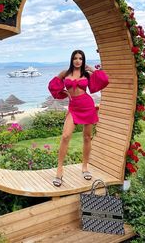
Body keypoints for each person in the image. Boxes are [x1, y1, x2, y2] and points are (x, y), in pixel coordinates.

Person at [48, 50, 109, 187]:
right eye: (75, 58)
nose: (77, 61)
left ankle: (85, 167)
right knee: (65, 136)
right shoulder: (65, 73)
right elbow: (53, 85)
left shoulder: (86, 74)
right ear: (72, 59)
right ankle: (59, 170)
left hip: (87, 107)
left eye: (80, 58)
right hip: (73, 108)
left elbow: (104, 80)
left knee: (87, 137)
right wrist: (62, 91)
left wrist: (93, 69)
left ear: (83, 60)